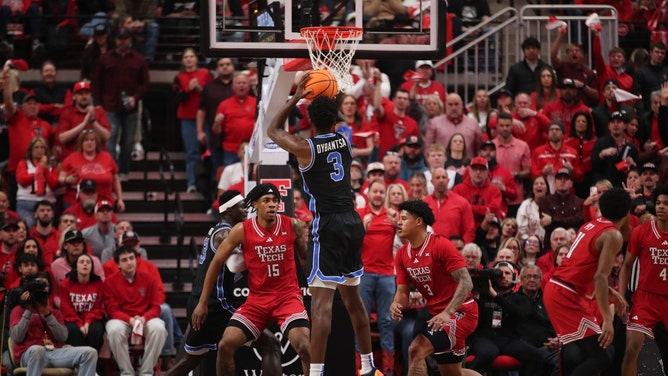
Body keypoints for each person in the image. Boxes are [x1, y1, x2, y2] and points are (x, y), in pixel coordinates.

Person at [266, 73, 381, 376]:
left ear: (309, 119)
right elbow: (338, 118)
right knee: (355, 301)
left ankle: (315, 373)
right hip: (353, 221)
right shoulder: (344, 139)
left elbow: (272, 129)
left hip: (327, 224)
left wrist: (296, 98)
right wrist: (330, 91)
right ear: (333, 118)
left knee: (321, 306)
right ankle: (369, 366)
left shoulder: (306, 148)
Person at [191, 184, 310, 375]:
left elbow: (305, 258)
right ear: (255, 204)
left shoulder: (293, 225)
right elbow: (216, 263)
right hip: (257, 301)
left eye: (275, 201)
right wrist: (202, 302)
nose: (272, 205)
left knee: (304, 347)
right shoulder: (241, 230)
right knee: (225, 345)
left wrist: (310, 287)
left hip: (287, 298)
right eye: (266, 201)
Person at [166, 190, 282, 376]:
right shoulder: (225, 233)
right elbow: (237, 265)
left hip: (200, 302)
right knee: (271, 344)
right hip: (215, 305)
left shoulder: (217, 229)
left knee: (189, 361)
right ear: (229, 211)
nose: (246, 210)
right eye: (241, 206)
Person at [543, 188, 631, 375]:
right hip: (565, 294)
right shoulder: (613, 235)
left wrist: (608, 291)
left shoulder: (591, 224)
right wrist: (608, 319)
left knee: (597, 356)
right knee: (602, 356)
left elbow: (583, 267)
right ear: (627, 213)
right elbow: (599, 276)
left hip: (563, 289)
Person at [389, 200, 477, 376]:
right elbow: (403, 292)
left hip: (461, 312)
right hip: (436, 316)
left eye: (404, 218)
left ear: (419, 222)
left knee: (416, 350)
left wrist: (447, 312)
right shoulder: (401, 254)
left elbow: (467, 282)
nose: (398, 222)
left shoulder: (440, 245)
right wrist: (396, 304)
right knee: (452, 374)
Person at [619, 184, 668, 376]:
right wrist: (622, 297)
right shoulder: (642, 232)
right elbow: (627, 266)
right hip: (645, 298)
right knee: (632, 347)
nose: (661, 207)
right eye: (658, 203)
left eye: (666, 203)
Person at [9, 272, 98, 375]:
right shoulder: (19, 310)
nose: (41, 289)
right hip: (29, 353)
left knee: (90, 353)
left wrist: (47, 314)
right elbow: (16, 337)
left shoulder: (54, 312)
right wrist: (28, 310)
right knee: (38, 350)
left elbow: (63, 337)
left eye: (44, 285)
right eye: (37, 285)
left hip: (54, 352)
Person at [93, 27, 150, 181]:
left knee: (128, 141)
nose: (122, 41)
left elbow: (145, 84)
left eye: (125, 38)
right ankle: (111, 170)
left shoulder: (139, 59)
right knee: (110, 138)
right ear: (115, 40)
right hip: (110, 105)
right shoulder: (105, 58)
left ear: (130, 40)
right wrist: (98, 103)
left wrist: (135, 97)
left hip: (130, 107)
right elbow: (97, 82)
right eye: (119, 38)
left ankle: (124, 170)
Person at [104, 245, 167, 376]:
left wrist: (143, 318)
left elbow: (156, 307)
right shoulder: (110, 282)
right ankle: (127, 372)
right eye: (124, 260)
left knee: (159, 328)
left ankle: (146, 372)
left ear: (137, 260)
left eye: (131, 258)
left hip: (144, 318)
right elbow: (112, 310)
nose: (129, 262)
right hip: (123, 319)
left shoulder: (149, 278)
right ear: (118, 264)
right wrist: (130, 320)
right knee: (114, 330)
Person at [356, 180, 398, 375]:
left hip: (387, 275)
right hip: (364, 274)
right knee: (361, 320)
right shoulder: (360, 215)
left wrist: (398, 225)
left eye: (382, 192)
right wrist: (362, 229)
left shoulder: (393, 216)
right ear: (368, 194)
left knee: (386, 321)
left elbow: (406, 240)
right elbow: (350, 245)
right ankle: (360, 367)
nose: (379, 195)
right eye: (376, 192)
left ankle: (388, 369)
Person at [173, 48, 213, 193]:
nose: (189, 59)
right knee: (192, 152)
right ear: (183, 60)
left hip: (206, 118)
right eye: (186, 57)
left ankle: (212, 181)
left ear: (196, 59)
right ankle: (192, 183)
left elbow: (212, 93)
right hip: (187, 118)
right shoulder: (179, 77)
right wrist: (188, 89)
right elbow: (175, 98)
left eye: (191, 56)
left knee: (211, 150)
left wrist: (201, 90)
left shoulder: (205, 73)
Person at [59, 130, 124, 211]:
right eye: (86, 140)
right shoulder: (71, 158)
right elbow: (60, 178)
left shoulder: (107, 157)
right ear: (81, 143)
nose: (89, 142)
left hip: (104, 204)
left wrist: (120, 199)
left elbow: (115, 179)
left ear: (96, 143)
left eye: (92, 140)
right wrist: (66, 180)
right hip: (77, 204)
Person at [58, 253, 105, 352]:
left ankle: (94, 361)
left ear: (92, 267)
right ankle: (78, 361)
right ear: (76, 266)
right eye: (82, 262)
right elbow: (67, 309)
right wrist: (80, 324)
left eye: (88, 262)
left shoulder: (98, 283)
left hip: (92, 318)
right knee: (73, 330)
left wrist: (87, 323)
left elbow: (97, 308)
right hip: (72, 318)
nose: (85, 264)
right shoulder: (65, 284)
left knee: (95, 331)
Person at [56, 80, 111, 162]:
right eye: (80, 94)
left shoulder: (99, 112)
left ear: (90, 96)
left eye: (86, 93)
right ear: (74, 96)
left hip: (97, 159)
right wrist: (83, 124)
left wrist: (93, 121)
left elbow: (107, 136)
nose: (84, 96)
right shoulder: (67, 113)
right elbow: (62, 138)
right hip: (74, 160)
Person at [15, 137, 59, 227]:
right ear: (31, 150)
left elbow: (54, 184)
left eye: (42, 148)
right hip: (26, 202)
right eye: (36, 147)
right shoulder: (24, 163)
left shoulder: (51, 166)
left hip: (47, 203)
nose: (39, 150)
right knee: (28, 227)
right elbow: (22, 180)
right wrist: (38, 172)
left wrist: (45, 169)